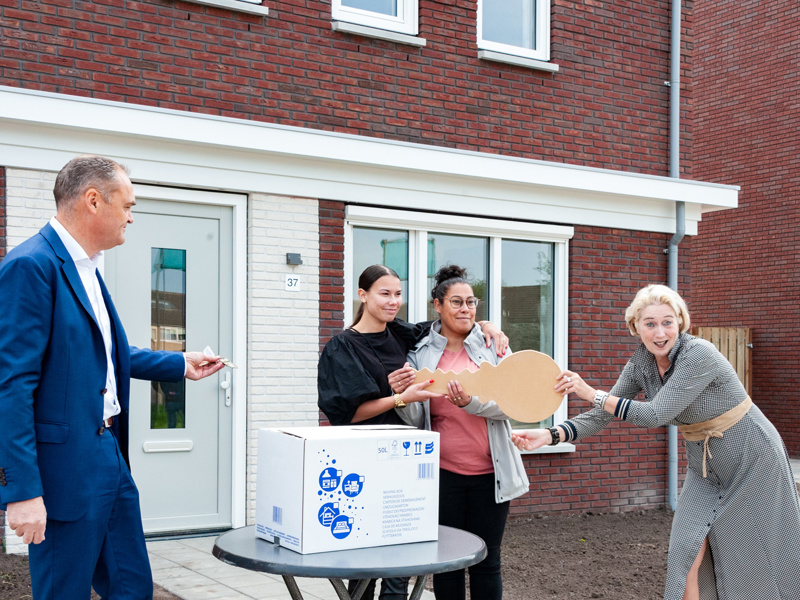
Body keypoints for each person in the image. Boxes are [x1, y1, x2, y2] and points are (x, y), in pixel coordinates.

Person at [0, 155, 226, 600]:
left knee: (131, 586)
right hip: (63, 470)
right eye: (127, 205)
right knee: (63, 591)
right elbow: (10, 386)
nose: (131, 216)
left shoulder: (89, 267)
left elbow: (106, 355)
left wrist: (181, 363)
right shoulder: (31, 266)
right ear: (92, 201)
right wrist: (22, 492)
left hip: (108, 454)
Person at [513, 284, 800, 600]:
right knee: (684, 552)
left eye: (667, 321)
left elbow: (654, 415)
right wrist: (550, 435)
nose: (660, 331)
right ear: (635, 327)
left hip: (753, 457)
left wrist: (590, 392)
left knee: (755, 554)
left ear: (680, 321)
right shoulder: (641, 365)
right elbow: (600, 416)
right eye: (650, 323)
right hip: (704, 467)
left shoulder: (699, 354)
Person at [317, 263, 507, 600]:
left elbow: (450, 322)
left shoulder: (403, 335)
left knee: (401, 563)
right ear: (362, 295)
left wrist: (484, 324)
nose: (393, 301)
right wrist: (398, 398)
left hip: (404, 464)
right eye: (384, 294)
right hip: (365, 462)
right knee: (366, 558)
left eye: (398, 294)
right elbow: (345, 415)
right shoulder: (342, 347)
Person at [397, 265, 528, 600]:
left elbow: (514, 404)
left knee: (487, 561)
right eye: (456, 302)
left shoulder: (493, 347)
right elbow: (415, 419)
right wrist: (403, 398)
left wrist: (471, 403)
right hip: (442, 475)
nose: (466, 309)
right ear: (437, 305)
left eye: (471, 302)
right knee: (448, 563)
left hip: (491, 474)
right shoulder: (420, 352)